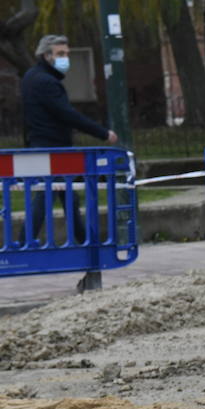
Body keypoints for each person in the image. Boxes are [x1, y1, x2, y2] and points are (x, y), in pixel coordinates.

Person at [20, 33, 118, 276]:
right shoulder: (45, 81)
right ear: (46, 55)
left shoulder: (33, 77)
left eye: (67, 54)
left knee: (67, 198)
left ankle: (85, 242)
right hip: (52, 149)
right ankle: (24, 246)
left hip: (46, 146)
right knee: (46, 197)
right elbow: (66, 114)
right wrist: (102, 133)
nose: (66, 59)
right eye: (61, 54)